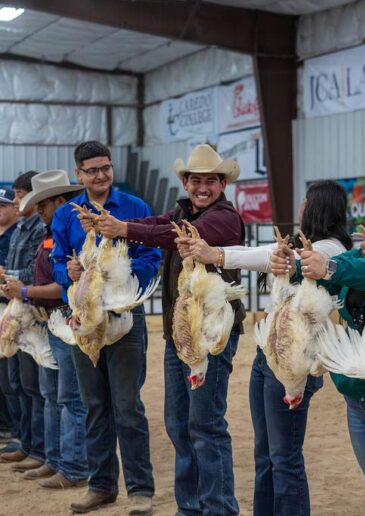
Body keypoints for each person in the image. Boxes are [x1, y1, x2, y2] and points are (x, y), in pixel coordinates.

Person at [78, 144, 246, 516]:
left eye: (211, 181)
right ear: (185, 183)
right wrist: (112, 226)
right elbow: (158, 224)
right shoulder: (183, 210)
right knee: (179, 424)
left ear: (222, 184)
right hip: (180, 334)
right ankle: (190, 508)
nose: (202, 187)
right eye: (196, 180)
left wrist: (123, 228)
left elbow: (177, 236)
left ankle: (218, 509)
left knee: (205, 425)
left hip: (211, 336)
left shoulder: (224, 218)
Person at [176, 180, 352, 516]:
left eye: (306, 201)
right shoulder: (304, 245)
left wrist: (217, 254)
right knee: (266, 454)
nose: (301, 207)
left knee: (284, 457)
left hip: (294, 364)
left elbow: (271, 258)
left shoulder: (330, 250)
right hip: (268, 355)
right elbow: (260, 254)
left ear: (317, 207)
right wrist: (214, 251)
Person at [51, 141, 161, 515]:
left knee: (127, 406)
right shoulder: (65, 215)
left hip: (124, 316)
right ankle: (101, 486)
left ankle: (141, 490)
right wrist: (68, 271)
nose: (101, 175)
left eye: (106, 168)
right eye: (93, 170)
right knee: (94, 405)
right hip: (85, 319)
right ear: (79, 174)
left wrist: (114, 273)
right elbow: (57, 260)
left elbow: (151, 256)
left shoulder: (135, 208)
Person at [296, 179, 365, 515]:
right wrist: (291, 264)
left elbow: (362, 271)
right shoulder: (356, 255)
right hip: (358, 402)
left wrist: (333, 266)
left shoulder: (364, 261)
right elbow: (329, 273)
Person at [4, 169, 88, 488]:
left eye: (43, 203)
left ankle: (72, 465)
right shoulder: (51, 232)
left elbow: (64, 286)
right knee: (52, 394)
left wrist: (25, 290)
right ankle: (54, 459)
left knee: (67, 397)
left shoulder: (72, 234)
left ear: (60, 202)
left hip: (65, 319)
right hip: (52, 319)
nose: (37, 209)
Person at [0, 171, 46, 472]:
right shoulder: (20, 230)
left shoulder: (38, 230)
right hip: (17, 312)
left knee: (31, 385)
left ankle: (37, 448)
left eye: (19, 195)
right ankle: (27, 442)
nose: (16, 201)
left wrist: (6, 276)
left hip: (31, 315)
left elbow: (34, 273)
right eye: (16, 195)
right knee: (17, 382)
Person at [0, 187, 19, 447]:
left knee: (9, 374)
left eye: (2, 205)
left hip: (10, 306)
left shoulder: (18, 235)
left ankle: (13, 427)